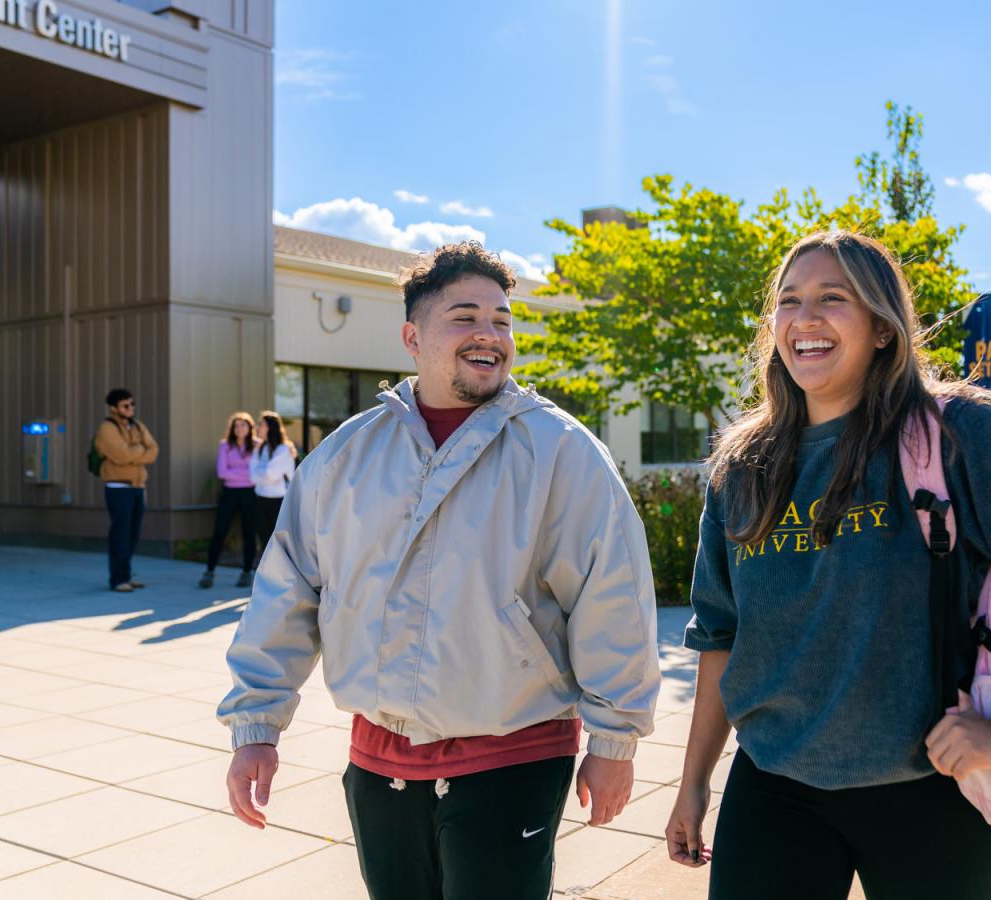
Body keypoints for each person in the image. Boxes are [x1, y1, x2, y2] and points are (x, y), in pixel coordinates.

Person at [664, 231, 991, 899]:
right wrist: (694, 782)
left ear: (881, 327)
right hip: (774, 787)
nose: (804, 319)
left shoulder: (959, 432)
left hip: (934, 791)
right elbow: (721, 635)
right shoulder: (742, 466)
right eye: (788, 302)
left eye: (832, 299)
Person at [218, 241, 661, 900]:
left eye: (502, 319)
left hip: (515, 757)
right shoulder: (346, 457)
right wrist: (256, 727)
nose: (490, 333)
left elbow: (613, 599)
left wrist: (614, 740)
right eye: (465, 316)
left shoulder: (562, 452)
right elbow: (286, 593)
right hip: (378, 763)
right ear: (411, 336)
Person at [94, 388, 159, 593]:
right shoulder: (107, 428)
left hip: (138, 487)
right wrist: (140, 449)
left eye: (132, 404)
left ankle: (127, 575)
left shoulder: (137, 426)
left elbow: (154, 450)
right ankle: (118, 579)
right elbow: (121, 456)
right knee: (120, 534)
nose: (130, 408)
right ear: (114, 408)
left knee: (132, 535)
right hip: (118, 488)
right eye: (125, 405)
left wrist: (134, 451)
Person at [200, 411, 261, 589]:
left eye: (243, 425)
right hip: (229, 494)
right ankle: (209, 571)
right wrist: (247, 474)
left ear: (250, 428)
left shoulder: (257, 446)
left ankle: (246, 572)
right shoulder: (225, 445)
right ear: (232, 428)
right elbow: (222, 472)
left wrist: (237, 474)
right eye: (236, 425)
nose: (239, 428)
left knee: (249, 534)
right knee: (219, 532)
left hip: (250, 494)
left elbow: (257, 475)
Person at [248, 412, 295, 553]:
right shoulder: (261, 448)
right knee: (264, 541)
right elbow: (252, 476)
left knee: (278, 544)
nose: (257, 428)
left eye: (261, 425)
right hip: (260, 499)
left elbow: (270, 474)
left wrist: (260, 472)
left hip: (279, 501)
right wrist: (261, 470)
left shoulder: (283, 449)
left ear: (271, 427)